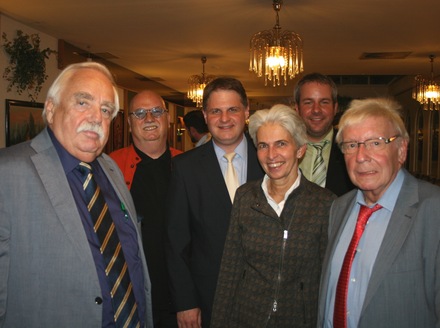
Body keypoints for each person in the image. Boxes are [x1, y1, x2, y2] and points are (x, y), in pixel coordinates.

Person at [0, 62, 153, 327]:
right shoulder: (8, 173)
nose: (97, 118)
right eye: (83, 103)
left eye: (106, 110)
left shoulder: (111, 168)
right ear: (50, 109)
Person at [317, 97, 440, 328]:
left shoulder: (433, 210)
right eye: (351, 145)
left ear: (401, 150)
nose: (361, 156)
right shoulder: (339, 207)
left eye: (375, 143)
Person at [210, 104, 336, 327]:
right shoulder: (245, 197)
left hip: (299, 320)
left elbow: (328, 278)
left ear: (299, 149)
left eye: (281, 144)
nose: (271, 155)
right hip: (247, 318)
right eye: (262, 145)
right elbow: (230, 268)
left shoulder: (324, 203)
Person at [166, 77, 264, 328]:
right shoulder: (184, 168)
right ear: (205, 115)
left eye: (232, 109)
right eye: (215, 111)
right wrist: (185, 302)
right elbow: (176, 242)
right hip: (207, 300)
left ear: (246, 111)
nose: (224, 119)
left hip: (265, 298)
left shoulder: (269, 160)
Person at [110, 90, 182, 327]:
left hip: (181, 300)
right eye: (139, 113)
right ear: (129, 123)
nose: (149, 118)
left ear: (167, 119)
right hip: (130, 296)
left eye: (156, 111)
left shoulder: (189, 165)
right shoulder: (110, 168)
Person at [294, 73, 354, 196]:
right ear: (297, 108)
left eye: (324, 102)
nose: (316, 110)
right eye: (308, 102)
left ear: (335, 107)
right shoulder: (282, 149)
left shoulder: (353, 148)